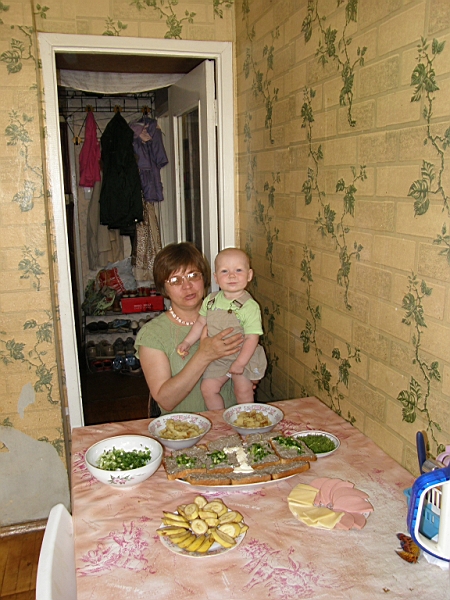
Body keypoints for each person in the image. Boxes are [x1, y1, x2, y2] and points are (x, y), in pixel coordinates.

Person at [135, 242, 243, 414]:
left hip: (232, 422)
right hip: (184, 428)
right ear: (163, 288)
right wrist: (204, 355)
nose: (187, 286)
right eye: (175, 280)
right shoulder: (152, 335)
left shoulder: (229, 315)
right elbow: (166, 401)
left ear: (204, 278)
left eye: (193, 275)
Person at [176, 248, 267, 410]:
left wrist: (240, 363)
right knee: (208, 389)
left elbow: (252, 338)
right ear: (216, 277)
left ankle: (247, 419)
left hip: (242, 354)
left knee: (243, 391)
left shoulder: (250, 306)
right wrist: (187, 342)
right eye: (225, 271)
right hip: (218, 357)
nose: (232, 276)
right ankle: (219, 418)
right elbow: (200, 324)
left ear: (249, 275)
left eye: (238, 270)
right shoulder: (210, 301)